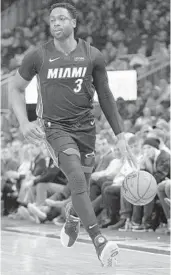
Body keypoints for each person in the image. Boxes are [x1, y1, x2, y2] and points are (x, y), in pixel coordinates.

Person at [10, 2, 136, 268]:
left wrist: (121, 135)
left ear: (74, 23)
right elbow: (15, 87)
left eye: (61, 19)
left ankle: (73, 218)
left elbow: (105, 96)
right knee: (77, 179)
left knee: (84, 187)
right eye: (52, 20)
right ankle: (99, 241)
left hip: (85, 128)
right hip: (55, 128)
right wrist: (23, 122)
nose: (55, 23)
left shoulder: (93, 55)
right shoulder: (39, 56)